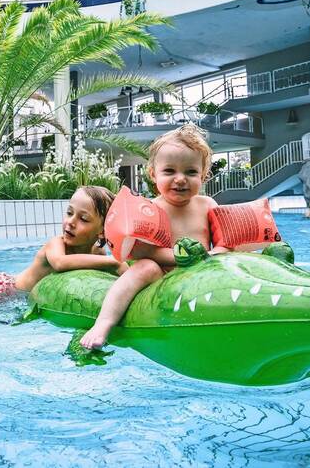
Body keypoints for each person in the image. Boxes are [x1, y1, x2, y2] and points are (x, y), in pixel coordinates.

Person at [80, 124, 227, 350]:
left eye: (190, 172)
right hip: (160, 276)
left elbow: (225, 243)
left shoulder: (208, 205)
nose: (180, 179)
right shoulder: (149, 209)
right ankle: (103, 323)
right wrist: (182, 258)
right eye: (169, 171)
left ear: (203, 175)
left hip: (200, 274)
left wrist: (213, 255)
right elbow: (141, 251)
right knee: (145, 267)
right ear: (153, 174)